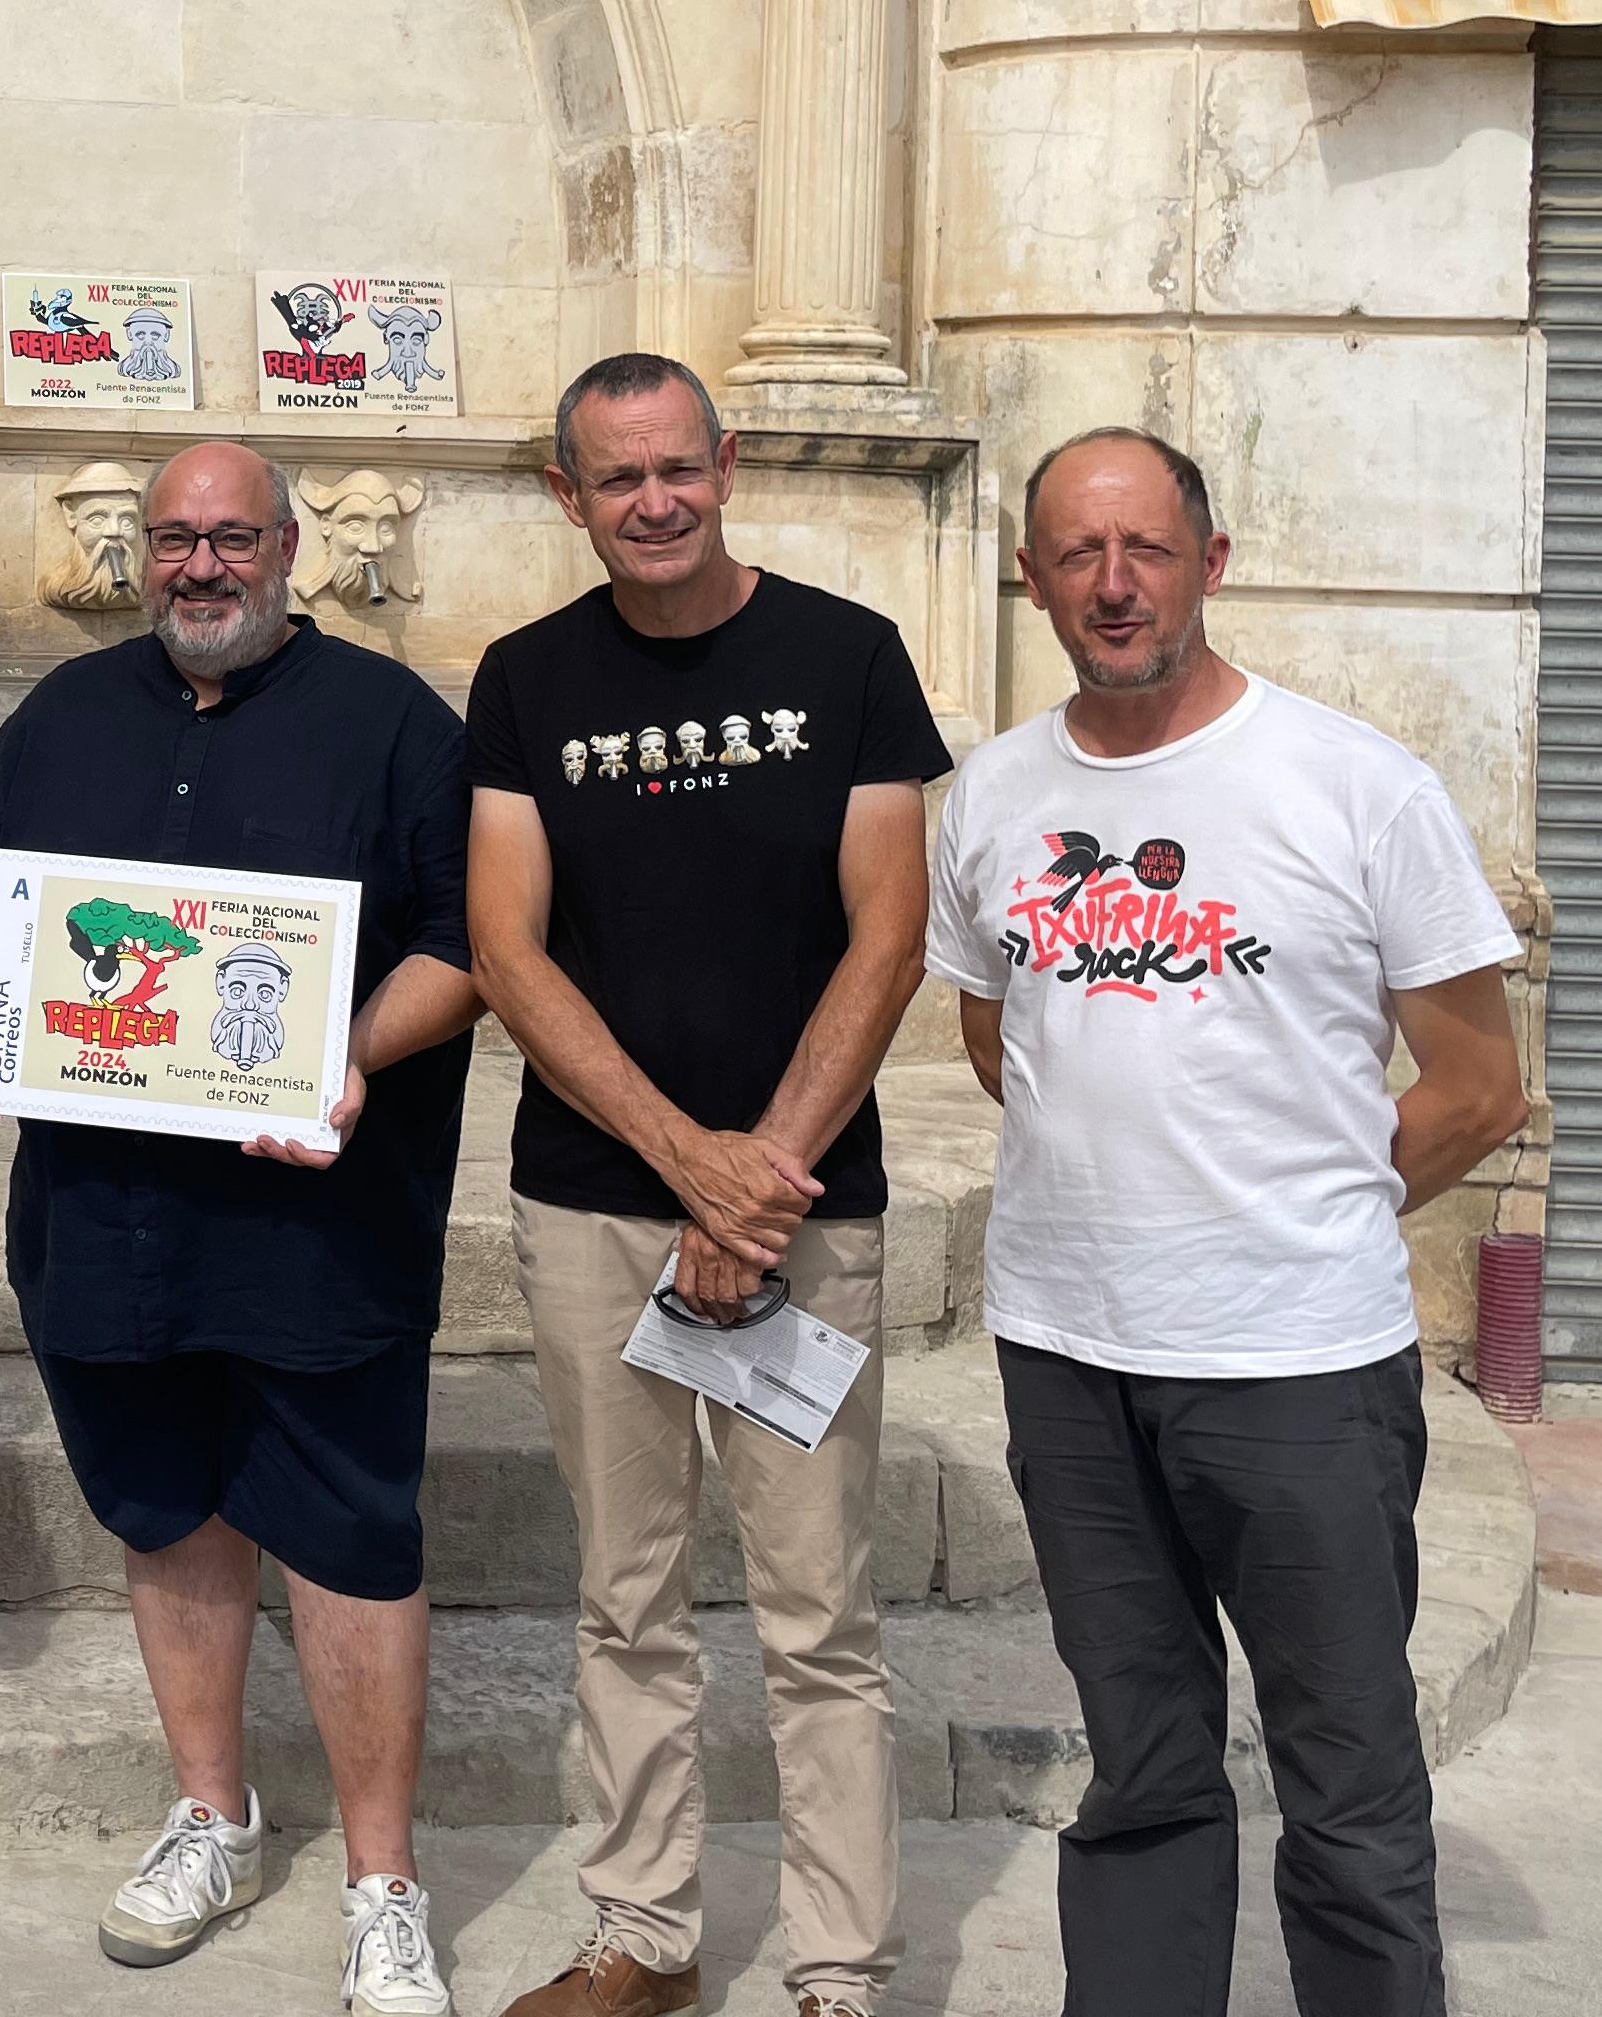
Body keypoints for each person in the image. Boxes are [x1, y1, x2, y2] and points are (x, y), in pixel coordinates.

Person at [930, 428, 1524, 2017]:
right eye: (1077, 554)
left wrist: (1297, 1209)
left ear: (1212, 560)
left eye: (1146, 548)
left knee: (1348, 1777)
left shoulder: (1356, 787)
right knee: (1140, 1765)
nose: (1114, 585)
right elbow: (1009, 1044)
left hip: (1302, 1366)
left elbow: (1476, 1087)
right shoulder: (990, 795)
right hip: (1068, 1355)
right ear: (1035, 577)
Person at [0, 441, 479, 2017]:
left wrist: (352, 1054)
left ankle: (383, 1886)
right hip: (112, 1214)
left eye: (233, 537)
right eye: (175, 539)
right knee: (165, 1509)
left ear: (290, 547)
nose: (201, 567)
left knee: (355, 1537)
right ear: (139, 553)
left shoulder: (390, 724)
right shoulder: (66, 712)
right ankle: (213, 1819)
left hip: (322, 1218)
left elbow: (472, 942)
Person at [467, 354, 950, 2017]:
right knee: (626, 1592)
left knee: (819, 1611)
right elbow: (506, 949)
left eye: (678, 468)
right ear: (568, 496)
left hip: (809, 1211)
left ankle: (837, 1972)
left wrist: (763, 1190)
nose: (653, 502)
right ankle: (641, 1938)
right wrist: (690, 1169)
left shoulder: (849, 660)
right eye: (617, 479)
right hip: (597, 1205)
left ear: (726, 462)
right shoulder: (527, 679)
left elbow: (889, 935)